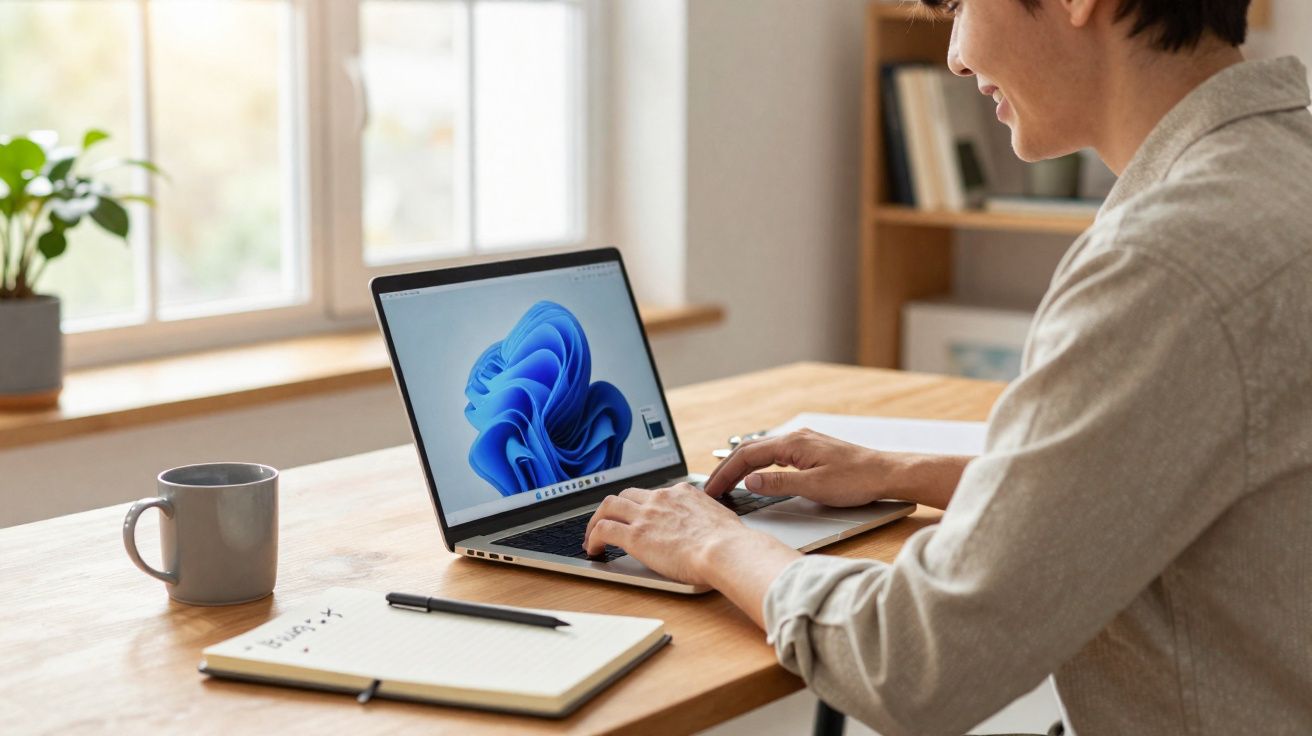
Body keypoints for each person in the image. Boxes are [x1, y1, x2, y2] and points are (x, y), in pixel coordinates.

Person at [582, 0, 1312, 734]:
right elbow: (1159, 481)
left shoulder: (1166, 264)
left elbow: (911, 664)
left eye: (962, 5)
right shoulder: (1284, 169)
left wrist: (714, 542)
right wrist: (899, 471)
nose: (957, 55)